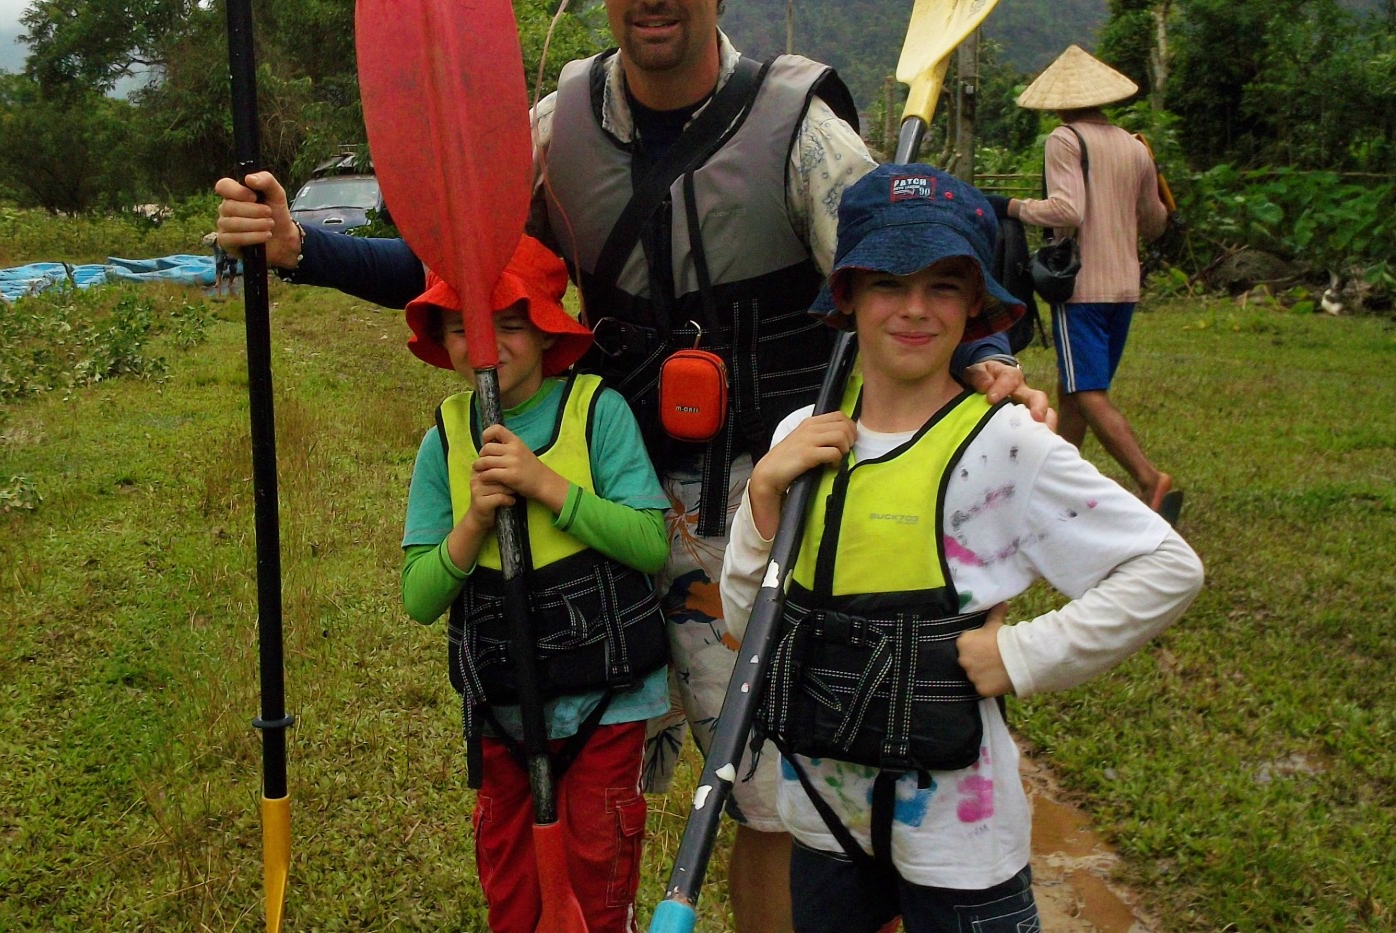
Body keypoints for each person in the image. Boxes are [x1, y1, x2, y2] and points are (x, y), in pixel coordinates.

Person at [214, 4, 1051, 927]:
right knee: (602, 766)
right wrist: (301, 249)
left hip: (770, 504)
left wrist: (986, 365)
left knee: (778, 796)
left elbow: (898, 263)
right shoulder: (553, 129)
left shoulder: (796, 124)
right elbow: (450, 260)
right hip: (608, 503)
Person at [721, 163, 1203, 933]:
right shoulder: (798, 439)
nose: (914, 309)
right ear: (847, 295)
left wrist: (1021, 655)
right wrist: (762, 498)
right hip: (822, 815)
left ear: (975, 302)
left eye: (944, 285)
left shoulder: (1007, 442)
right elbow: (747, 622)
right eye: (887, 283)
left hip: (958, 838)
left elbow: (1167, 567)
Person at [400, 235, 673, 933]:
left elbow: (650, 542)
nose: (485, 343)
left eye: (508, 323)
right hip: (502, 711)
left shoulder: (596, 410)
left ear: (547, 332)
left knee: (596, 877)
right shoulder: (444, 439)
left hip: (603, 703)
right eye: (462, 326)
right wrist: (472, 524)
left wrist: (544, 484)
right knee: (512, 895)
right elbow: (419, 597)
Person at [990, 45, 1179, 522]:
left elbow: (1066, 211)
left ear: (1058, 102)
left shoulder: (1066, 140)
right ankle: (1051, 481)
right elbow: (1155, 221)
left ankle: (1150, 479)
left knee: (1089, 392)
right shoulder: (1136, 147)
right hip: (1125, 286)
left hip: (1082, 286)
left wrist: (1008, 206)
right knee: (1074, 388)